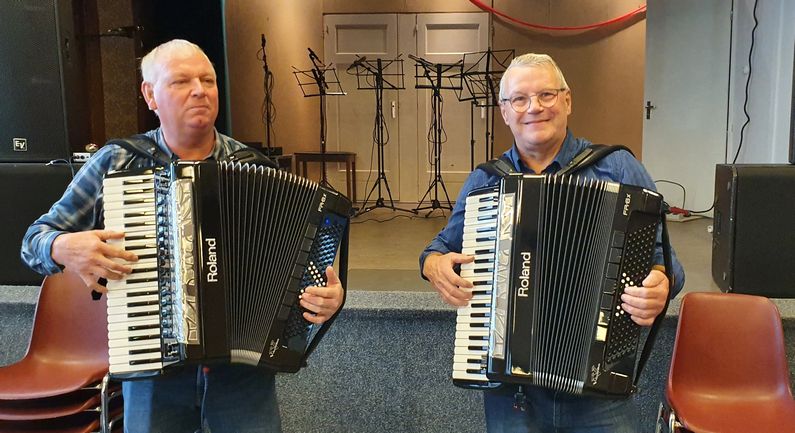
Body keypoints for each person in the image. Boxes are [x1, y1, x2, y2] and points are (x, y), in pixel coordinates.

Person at [21, 39, 345, 433]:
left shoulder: (253, 167)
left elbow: (303, 274)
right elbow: (34, 240)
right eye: (180, 82)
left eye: (208, 80)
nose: (199, 91)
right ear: (150, 95)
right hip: (152, 367)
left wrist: (325, 298)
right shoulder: (118, 161)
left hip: (241, 374)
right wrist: (62, 245)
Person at [420, 53, 685, 433]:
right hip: (512, 394)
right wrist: (435, 266)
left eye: (546, 95)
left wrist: (660, 282)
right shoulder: (485, 182)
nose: (534, 108)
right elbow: (437, 249)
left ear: (567, 101)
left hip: (598, 389)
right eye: (520, 99)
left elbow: (667, 260)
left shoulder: (618, 169)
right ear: (505, 111)